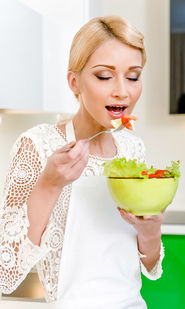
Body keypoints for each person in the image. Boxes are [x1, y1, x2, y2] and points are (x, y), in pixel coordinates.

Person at [0, 16, 165, 308]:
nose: (122, 91)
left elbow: (149, 269)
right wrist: (49, 184)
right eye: (104, 76)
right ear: (74, 82)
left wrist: (150, 232)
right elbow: (5, 274)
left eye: (133, 76)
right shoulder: (38, 145)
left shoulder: (132, 148)